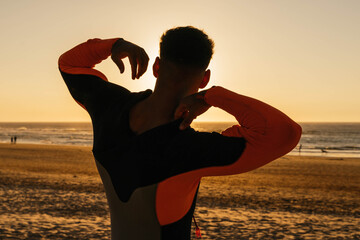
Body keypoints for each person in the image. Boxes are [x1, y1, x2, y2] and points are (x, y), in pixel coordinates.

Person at [59, 26, 301, 240]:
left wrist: (114, 45)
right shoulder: (190, 151)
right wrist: (212, 96)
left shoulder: (108, 106)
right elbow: (285, 132)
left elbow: (69, 64)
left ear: (156, 66)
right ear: (205, 78)